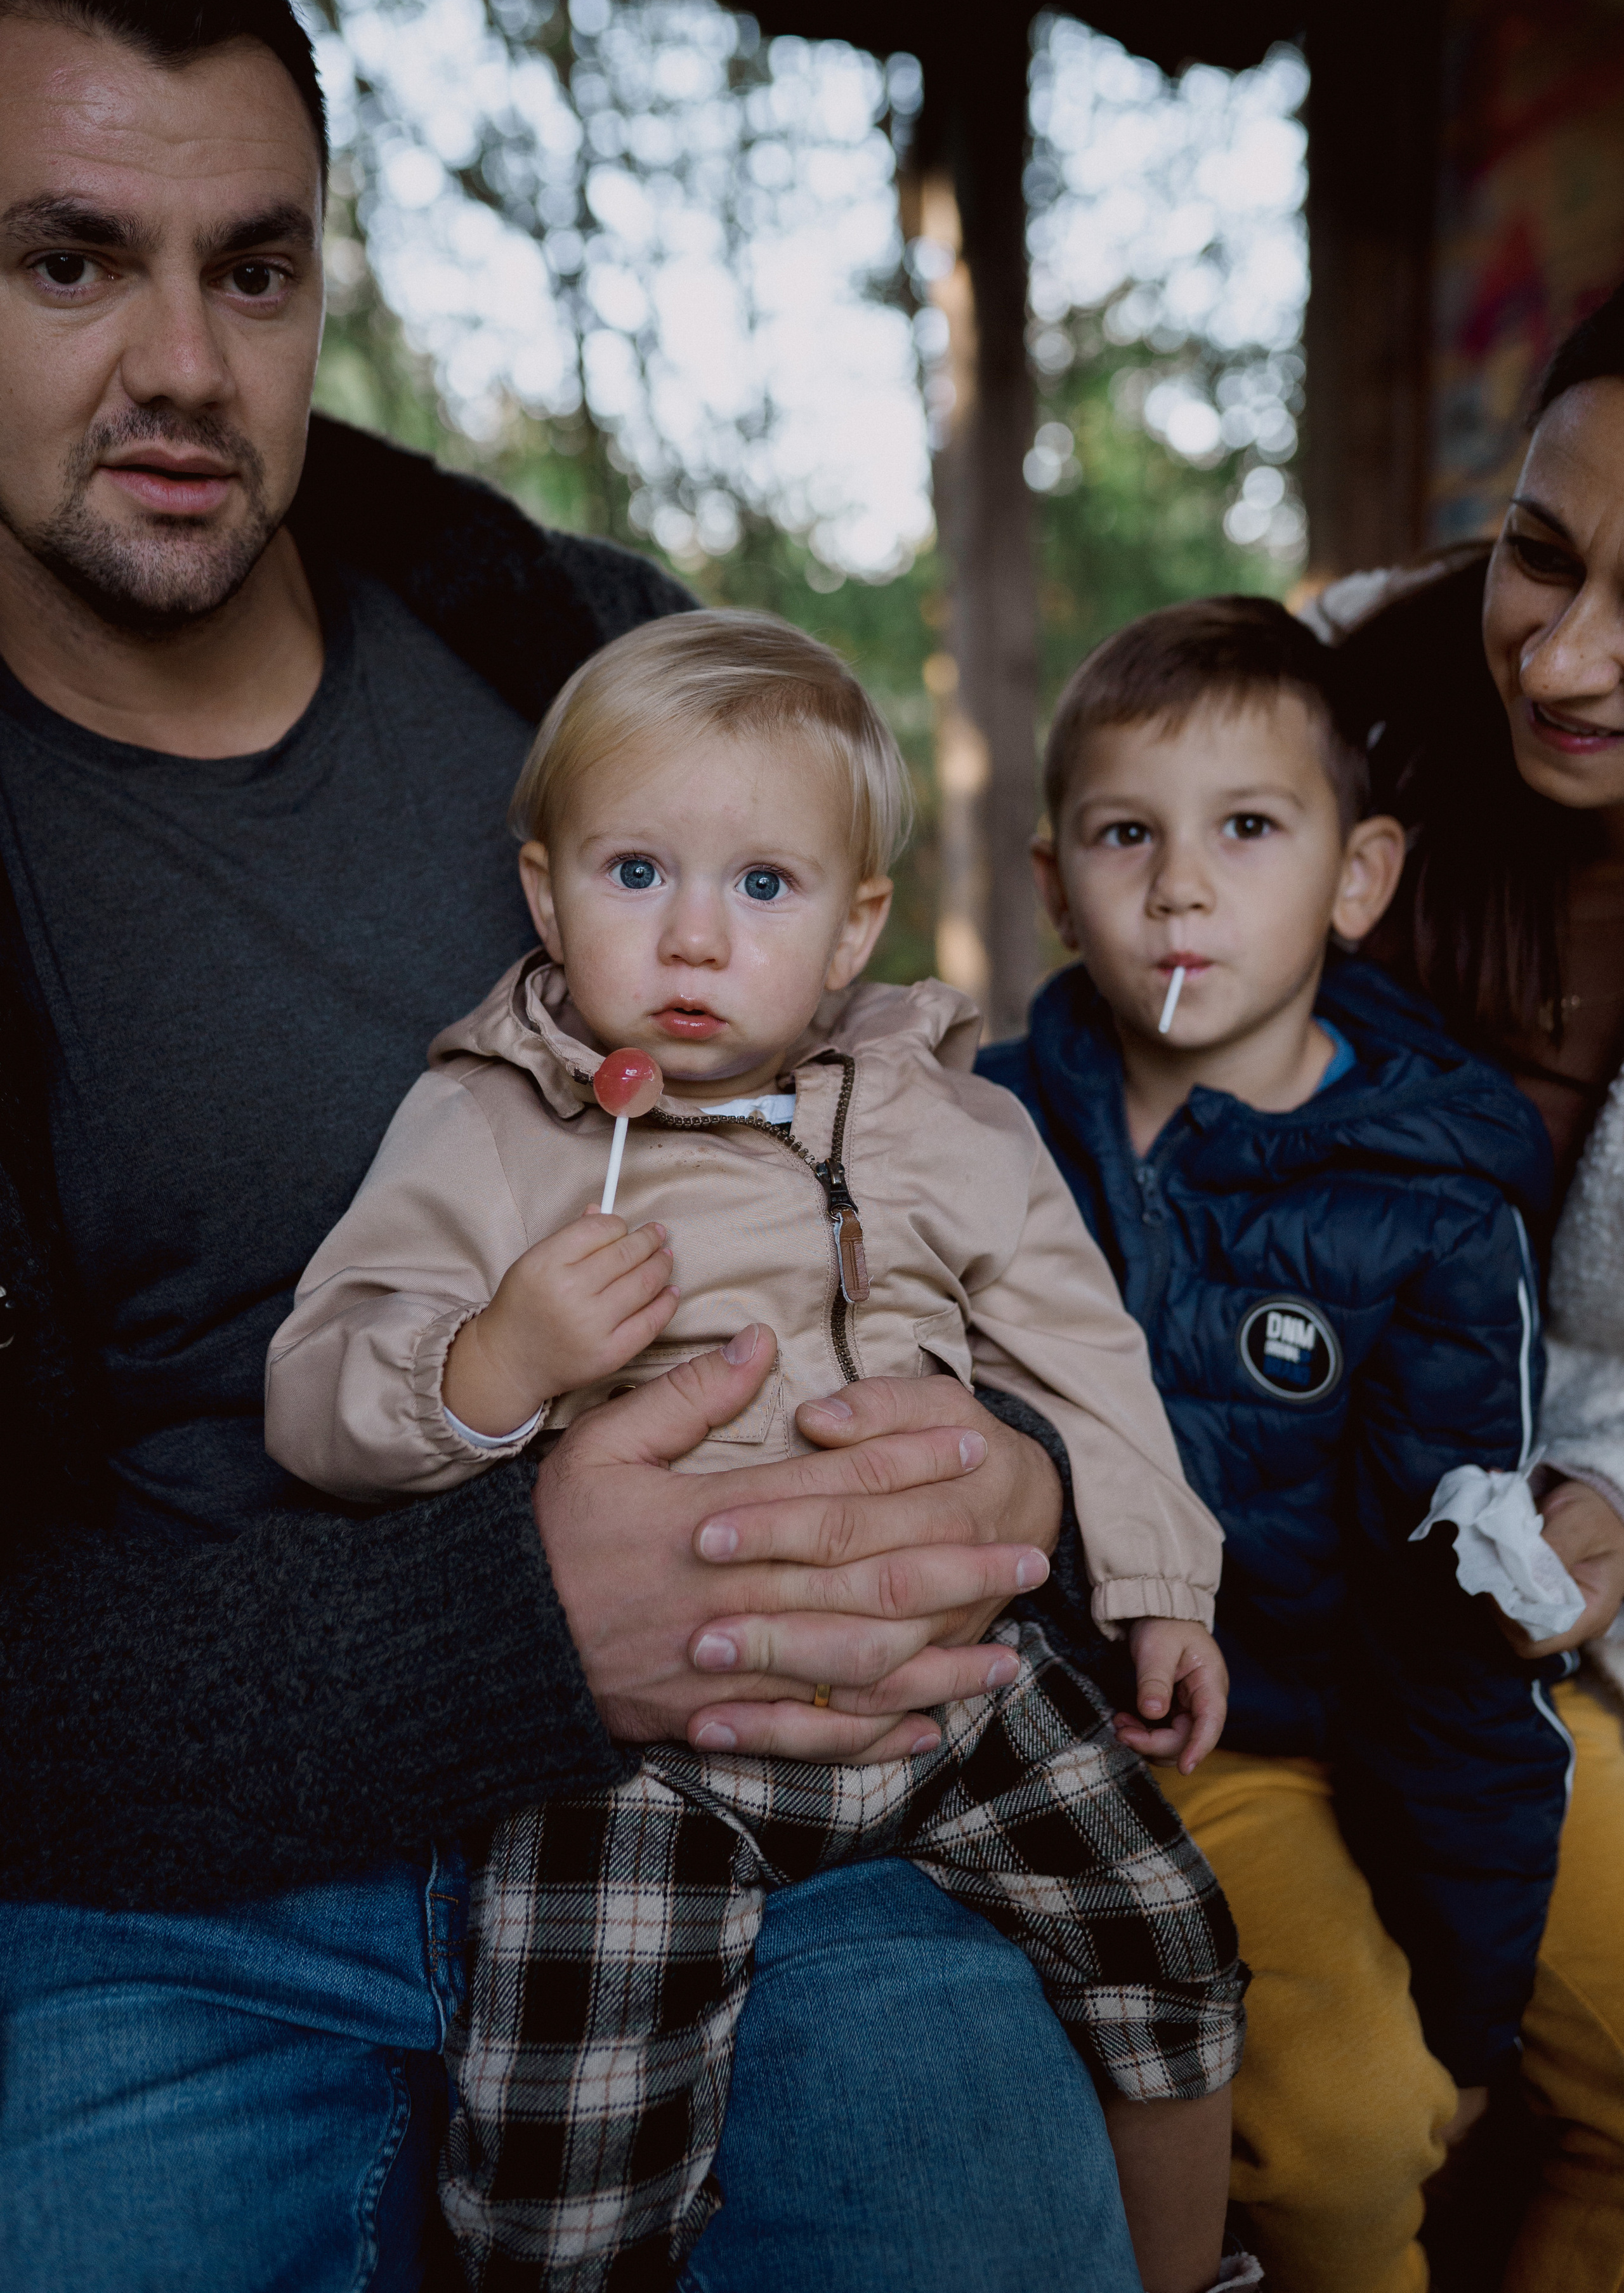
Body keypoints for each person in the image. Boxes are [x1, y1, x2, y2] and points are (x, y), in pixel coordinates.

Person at [0, 0, 1146, 2293]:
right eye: (70, 262)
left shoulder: (564, 640)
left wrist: (1014, 1458)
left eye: (260, 268)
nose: (184, 365)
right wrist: (513, 1627)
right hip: (157, 1882)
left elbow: (893, 1124)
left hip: (793, 1794)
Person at [267, 609, 1253, 2293]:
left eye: (768, 889)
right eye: (638, 873)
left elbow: (1078, 1354)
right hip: (644, 1741)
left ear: (858, 923)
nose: (697, 940)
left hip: (945, 1679)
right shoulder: (490, 1121)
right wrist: (496, 1361)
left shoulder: (948, 1118)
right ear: (543, 888)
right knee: (566, 2132)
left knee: (1170, 1940)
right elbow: (319, 1385)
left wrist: (1160, 1580)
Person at [979, 595, 1569, 2293]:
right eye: (1124, 834)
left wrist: (1476, 1988)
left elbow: (1462, 1618)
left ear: (1359, 877)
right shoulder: (992, 1137)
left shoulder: (1442, 1195)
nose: (1179, 887)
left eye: (1247, 829)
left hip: (1420, 1708)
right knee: (1348, 2132)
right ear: (1051, 881)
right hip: (1167, 1742)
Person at [1284, 279, 1624, 2293]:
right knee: (1341, 2125)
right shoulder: (1315, 717)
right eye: (1542, 556)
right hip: (1252, 1572)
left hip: (1542, 1625)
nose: (1570, 659)